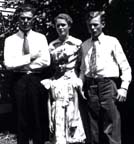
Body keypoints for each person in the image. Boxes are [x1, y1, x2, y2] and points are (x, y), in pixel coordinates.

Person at [79, 10, 132, 144]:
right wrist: (80, 84)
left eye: (96, 25)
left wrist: (124, 87)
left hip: (108, 85)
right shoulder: (85, 45)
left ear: (103, 24)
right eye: (90, 25)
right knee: (93, 127)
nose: (93, 28)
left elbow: (125, 66)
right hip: (91, 87)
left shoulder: (112, 41)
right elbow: (83, 69)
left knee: (111, 126)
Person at [4, 4, 50, 144]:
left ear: (33, 20)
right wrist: (30, 57)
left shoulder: (40, 38)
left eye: (28, 18)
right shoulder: (10, 40)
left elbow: (46, 61)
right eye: (22, 18)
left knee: (37, 118)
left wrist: (21, 62)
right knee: (20, 119)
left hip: (36, 79)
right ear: (18, 19)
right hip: (18, 80)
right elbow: (9, 64)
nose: (25, 21)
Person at [41, 13, 86, 144]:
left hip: (73, 80)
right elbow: (52, 66)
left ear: (69, 26)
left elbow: (82, 65)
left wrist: (79, 81)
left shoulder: (77, 43)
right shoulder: (52, 45)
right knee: (59, 115)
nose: (61, 28)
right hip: (58, 80)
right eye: (58, 25)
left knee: (74, 116)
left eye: (63, 25)